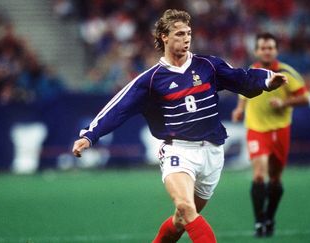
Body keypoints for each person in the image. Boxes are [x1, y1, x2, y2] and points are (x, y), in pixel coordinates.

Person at [72, 10, 287, 243]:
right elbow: (119, 107)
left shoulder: (209, 66)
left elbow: (241, 78)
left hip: (213, 152)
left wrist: (266, 80)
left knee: (180, 220)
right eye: (179, 34)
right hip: (178, 151)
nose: (186, 39)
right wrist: (90, 136)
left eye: (189, 34)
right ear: (164, 36)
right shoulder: (151, 79)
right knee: (185, 208)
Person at [231, 33, 309, 237]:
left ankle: (269, 217)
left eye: (270, 48)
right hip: (256, 129)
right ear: (256, 51)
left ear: (276, 50)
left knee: (275, 179)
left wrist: (284, 103)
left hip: (280, 129)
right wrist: (239, 109)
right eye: (263, 48)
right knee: (259, 174)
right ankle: (258, 221)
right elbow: (243, 93)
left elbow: (305, 98)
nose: (267, 51)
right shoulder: (251, 72)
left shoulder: (286, 72)